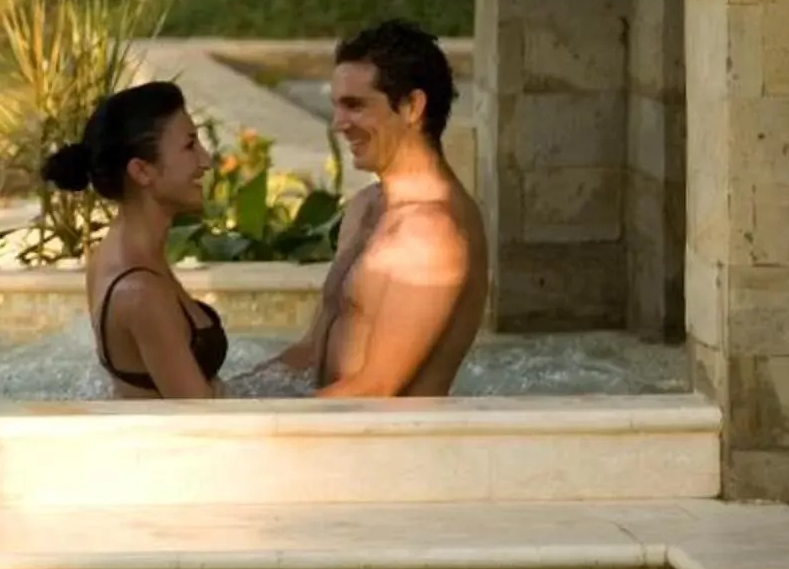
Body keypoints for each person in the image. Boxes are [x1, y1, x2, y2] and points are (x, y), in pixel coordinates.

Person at [263, 20, 486, 398]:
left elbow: (375, 391)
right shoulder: (368, 206)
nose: (338, 125)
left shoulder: (431, 235)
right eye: (336, 106)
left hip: (385, 452)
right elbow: (308, 352)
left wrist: (256, 433)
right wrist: (220, 400)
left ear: (412, 106)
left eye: (355, 106)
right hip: (333, 435)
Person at [45, 81, 227, 400]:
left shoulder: (125, 255)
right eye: (189, 146)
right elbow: (205, 421)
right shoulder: (141, 293)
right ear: (142, 171)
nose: (205, 161)